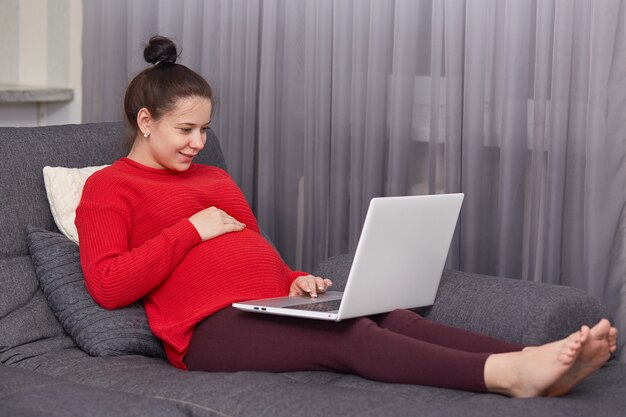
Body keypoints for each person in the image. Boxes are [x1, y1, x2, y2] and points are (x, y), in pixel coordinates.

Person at [76, 36, 617, 398]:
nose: (199, 143)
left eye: (204, 130)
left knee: (392, 314)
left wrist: (293, 280)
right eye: (185, 130)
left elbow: (256, 253)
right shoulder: (110, 186)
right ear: (145, 121)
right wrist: (192, 229)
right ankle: (510, 376)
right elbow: (107, 285)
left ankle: (539, 360)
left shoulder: (214, 180)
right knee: (351, 335)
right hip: (207, 332)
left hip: (269, 304)